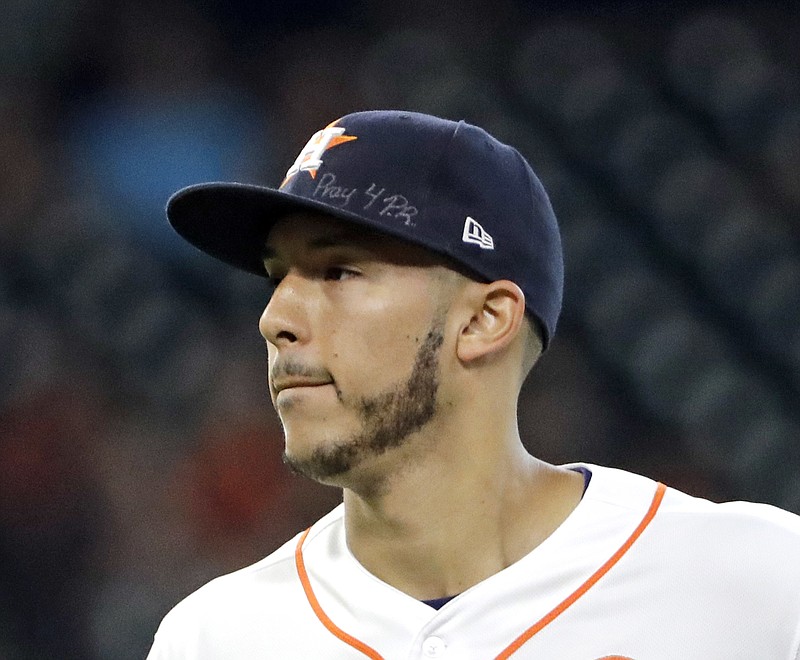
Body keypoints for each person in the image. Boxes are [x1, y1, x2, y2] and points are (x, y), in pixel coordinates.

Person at [148, 111, 800, 659]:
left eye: (338, 271)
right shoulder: (214, 639)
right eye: (276, 278)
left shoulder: (755, 583)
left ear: (486, 320)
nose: (275, 320)